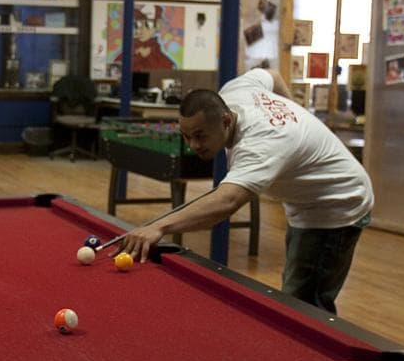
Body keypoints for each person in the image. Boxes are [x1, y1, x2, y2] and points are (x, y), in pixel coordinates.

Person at [114, 68, 373, 314]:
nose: (193, 145)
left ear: (226, 120)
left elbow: (227, 201)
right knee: (298, 291)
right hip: (306, 201)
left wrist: (159, 226)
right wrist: (296, 112)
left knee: (303, 304)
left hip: (337, 202)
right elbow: (272, 75)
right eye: (186, 135)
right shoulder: (236, 90)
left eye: (201, 136)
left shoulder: (260, 144)